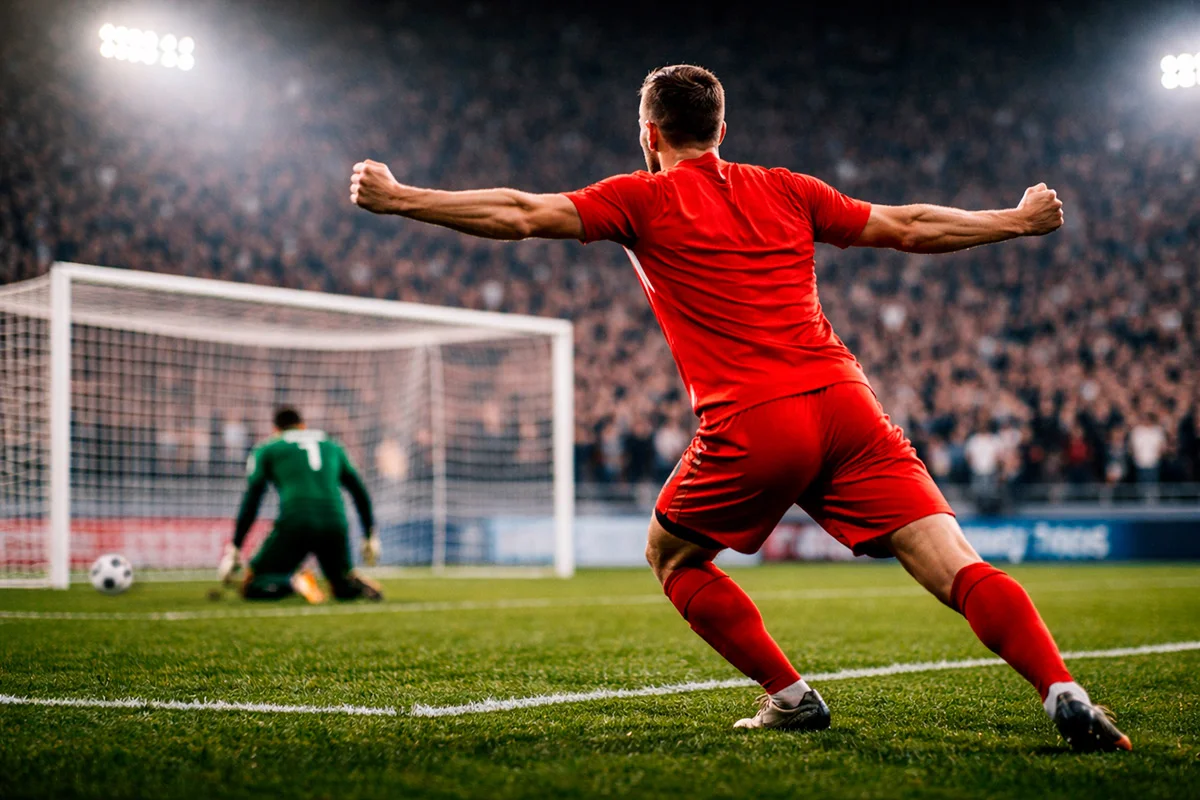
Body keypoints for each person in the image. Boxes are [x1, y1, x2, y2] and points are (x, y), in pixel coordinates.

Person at [348, 64, 1128, 751]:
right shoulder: (787, 187)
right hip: (847, 403)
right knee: (955, 563)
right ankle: (1062, 689)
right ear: (723, 128)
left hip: (756, 419)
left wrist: (397, 197)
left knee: (673, 556)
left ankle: (789, 697)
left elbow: (520, 213)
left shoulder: (641, 199)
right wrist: (1018, 220)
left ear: (649, 133)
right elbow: (908, 225)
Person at [218, 407, 383, 603]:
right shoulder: (332, 445)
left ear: (276, 430)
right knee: (342, 591)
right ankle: (346, 581)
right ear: (303, 426)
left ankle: (293, 582)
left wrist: (236, 547)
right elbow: (359, 491)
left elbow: (253, 499)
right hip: (335, 522)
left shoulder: (269, 447)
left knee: (254, 585)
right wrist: (369, 533)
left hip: (296, 521)